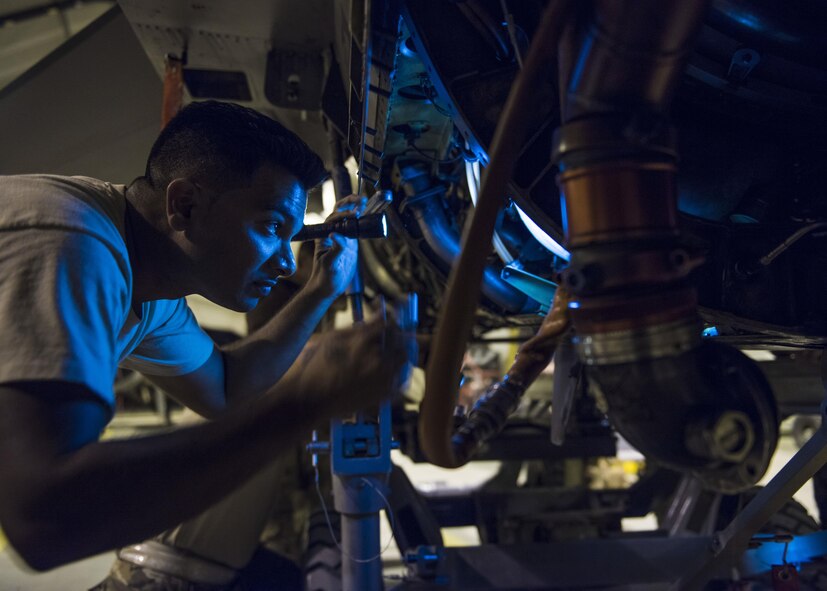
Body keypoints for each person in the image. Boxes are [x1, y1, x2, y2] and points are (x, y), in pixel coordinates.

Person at [0, 100, 409, 574]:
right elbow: (46, 519)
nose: (285, 262)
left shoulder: (148, 286)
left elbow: (227, 388)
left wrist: (322, 289)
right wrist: (306, 401)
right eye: (271, 227)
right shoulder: (74, 245)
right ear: (185, 205)